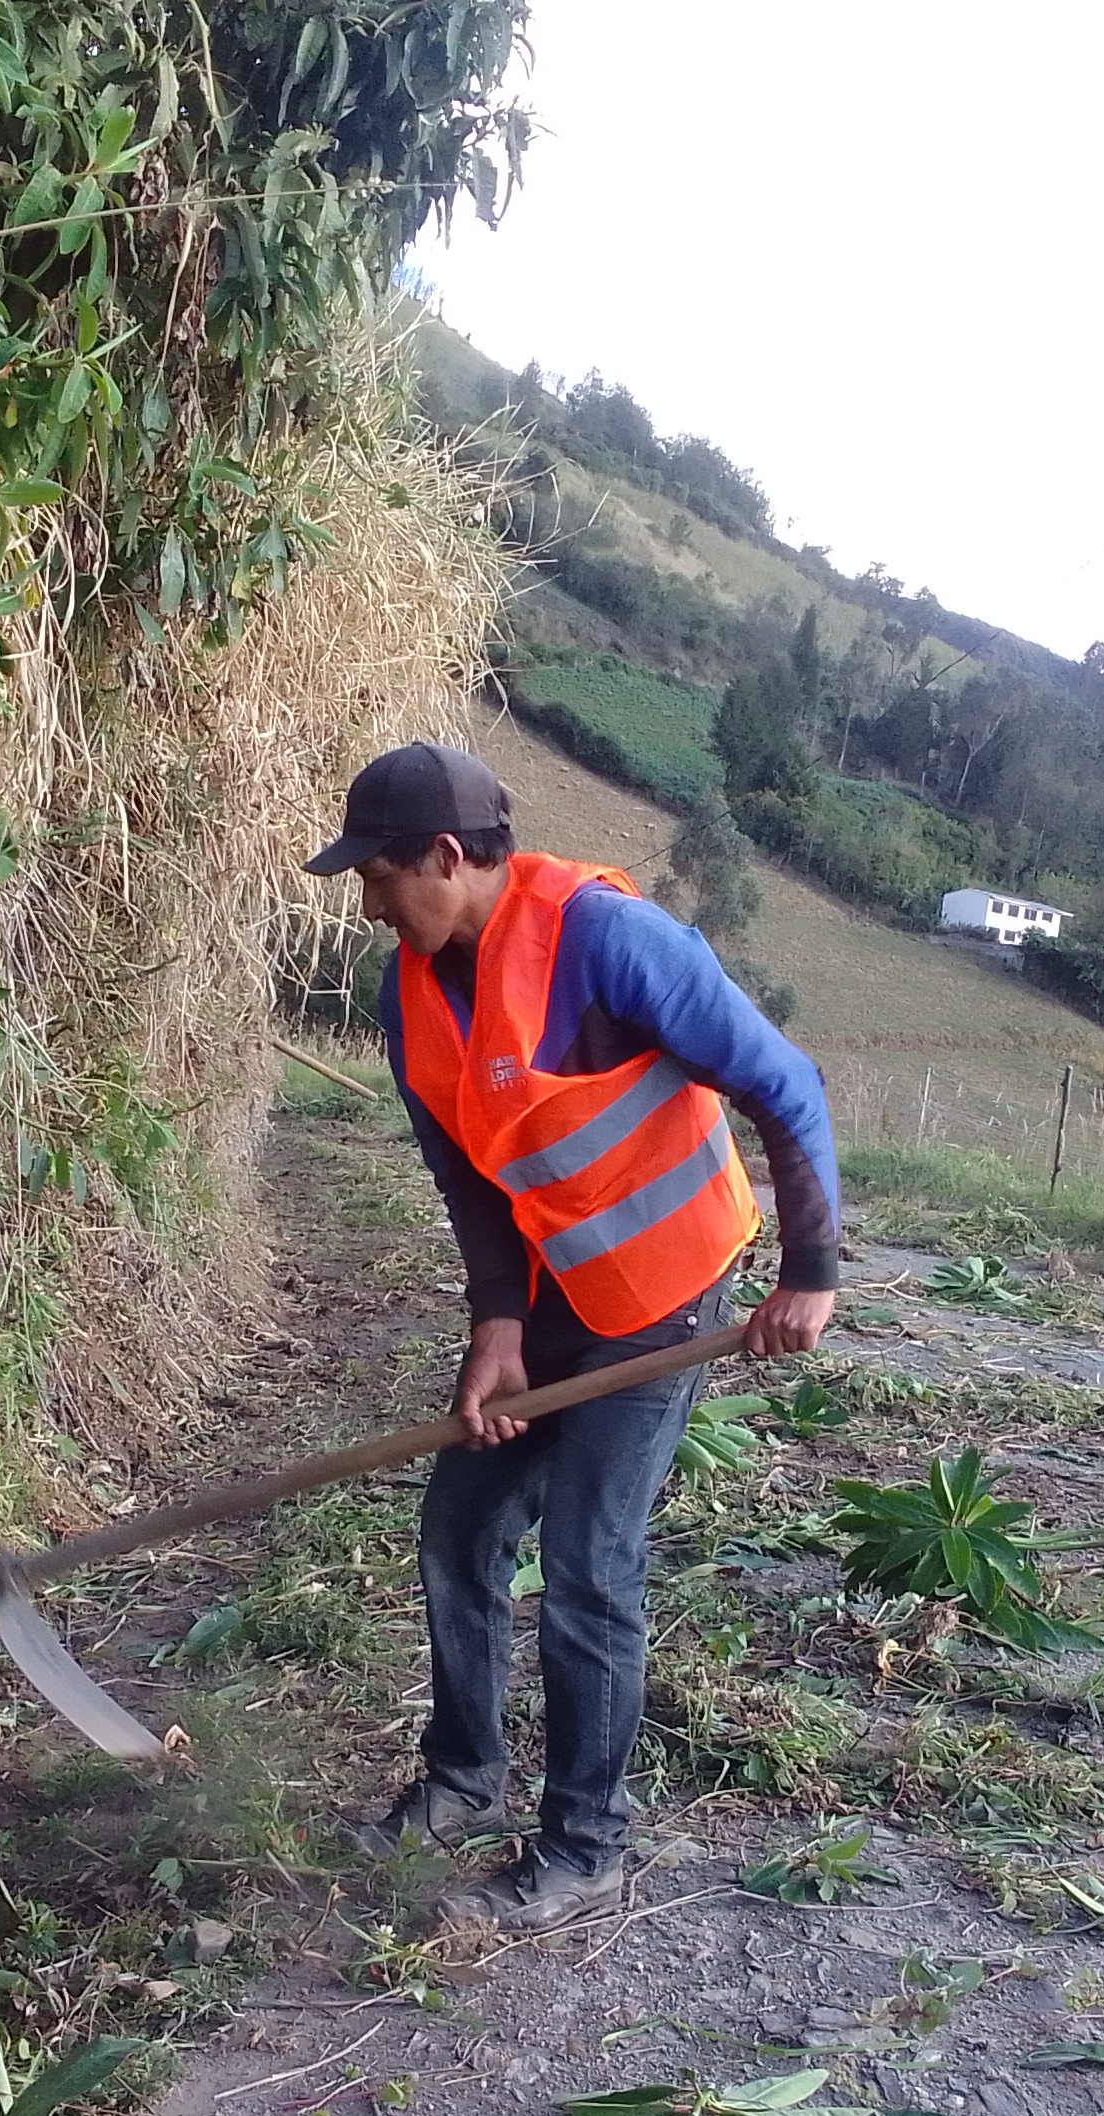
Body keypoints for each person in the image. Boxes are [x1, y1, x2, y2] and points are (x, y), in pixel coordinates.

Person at [302, 740, 840, 1933]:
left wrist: (810, 1272)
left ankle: (586, 1847)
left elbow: (784, 1083)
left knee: (591, 1571)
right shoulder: (409, 991)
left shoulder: (607, 939)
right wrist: (496, 1326)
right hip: (546, 1302)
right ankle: (462, 1781)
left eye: (381, 877)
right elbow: (466, 1176)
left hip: (661, 1300)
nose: (372, 904)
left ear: (447, 857)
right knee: (461, 1530)